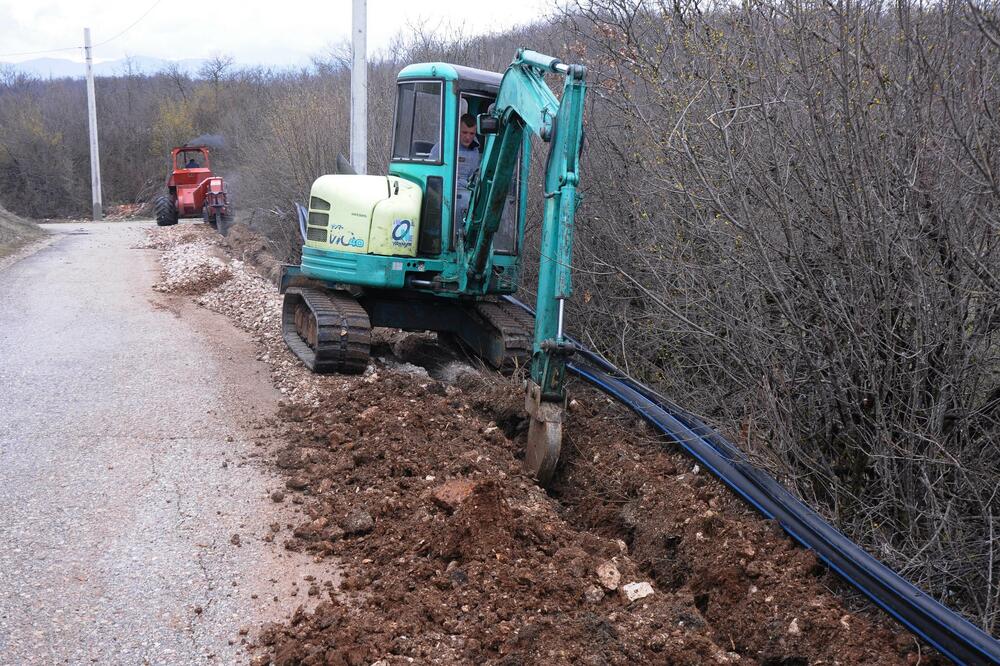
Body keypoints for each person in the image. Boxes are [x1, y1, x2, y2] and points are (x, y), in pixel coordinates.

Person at [454, 114, 481, 228]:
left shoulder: (475, 152)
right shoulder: (444, 147)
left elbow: (475, 177)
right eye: (464, 133)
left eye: (471, 134)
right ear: (457, 131)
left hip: (466, 196)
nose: (468, 137)